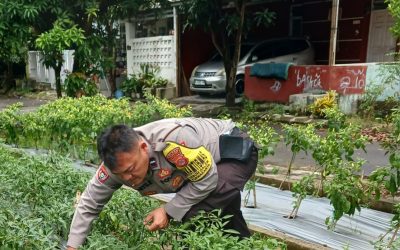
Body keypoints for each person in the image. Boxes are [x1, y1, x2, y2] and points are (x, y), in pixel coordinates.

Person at [67, 117, 258, 249]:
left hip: (231, 152)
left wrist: (167, 210)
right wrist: (72, 246)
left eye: (130, 170)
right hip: (197, 172)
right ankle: (247, 246)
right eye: (120, 174)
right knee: (219, 209)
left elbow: (207, 179)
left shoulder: (174, 141)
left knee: (192, 214)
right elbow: (90, 203)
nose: (127, 178)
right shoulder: (115, 166)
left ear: (143, 147)